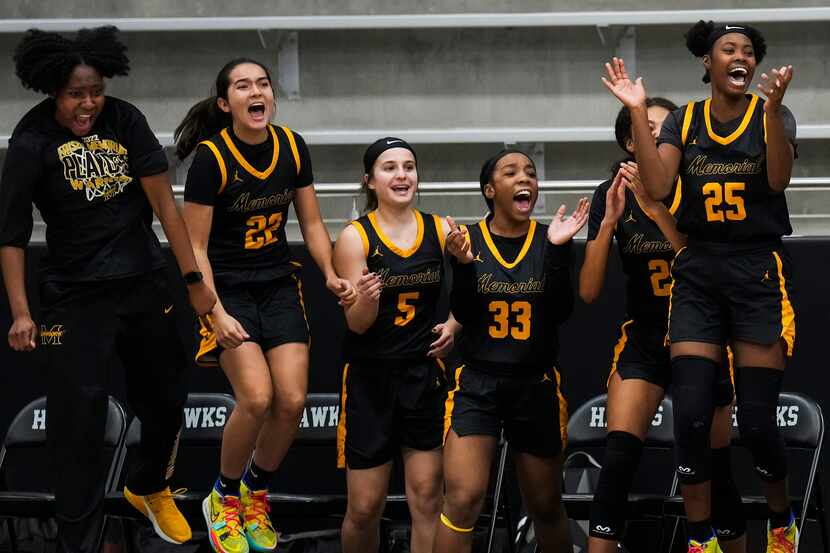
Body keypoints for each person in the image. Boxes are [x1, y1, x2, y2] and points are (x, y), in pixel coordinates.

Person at [0, 26, 216, 552]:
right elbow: (10, 234)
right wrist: (21, 313)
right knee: (79, 424)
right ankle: (79, 541)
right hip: (73, 298)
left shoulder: (125, 119)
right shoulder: (30, 141)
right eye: (77, 93)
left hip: (143, 283)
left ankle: (148, 485)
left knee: (167, 397)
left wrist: (194, 281)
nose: (89, 103)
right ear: (53, 90)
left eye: (95, 90)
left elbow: (166, 206)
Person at [602, 19, 798, 553]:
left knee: (756, 423)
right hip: (699, 272)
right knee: (689, 413)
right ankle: (699, 537)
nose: (742, 57)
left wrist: (776, 112)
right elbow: (661, 187)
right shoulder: (683, 122)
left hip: (754, 269)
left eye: (749, 51)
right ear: (707, 63)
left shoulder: (770, 115)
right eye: (728, 49)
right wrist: (639, 113)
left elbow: (778, 180)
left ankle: (782, 521)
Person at [176, 58, 354, 553]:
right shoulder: (213, 158)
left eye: (262, 83)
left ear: (271, 95)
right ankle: (223, 496)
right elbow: (193, 248)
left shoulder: (293, 146)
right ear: (224, 103)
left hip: (277, 285)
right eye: (242, 85)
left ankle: (254, 490)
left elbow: (313, 225)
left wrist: (331, 273)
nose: (256, 92)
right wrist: (215, 313)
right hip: (226, 291)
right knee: (256, 397)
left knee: (292, 400)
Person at [581, 100, 745, 553]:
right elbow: (590, 291)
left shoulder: (696, 185)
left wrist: (656, 209)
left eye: (665, 128)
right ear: (630, 141)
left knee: (715, 468)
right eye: (646, 127)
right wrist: (609, 221)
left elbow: (702, 269)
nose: (657, 135)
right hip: (647, 335)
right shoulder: (608, 193)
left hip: (703, 334)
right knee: (617, 462)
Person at [433, 149, 588, 553]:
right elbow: (464, 313)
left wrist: (557, 251)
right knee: (462, 500)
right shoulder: (467, 240)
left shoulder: (550, 238)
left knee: (546, 504)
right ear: (490, 190)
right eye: (511, 172)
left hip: (534, 384)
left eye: (531, 173)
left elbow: (561, 311)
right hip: (478, 383)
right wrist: (464, 266)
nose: (526, 179)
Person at [333, 138, 458, 553]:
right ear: (370, 181)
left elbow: (477, 291)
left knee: (426, 499)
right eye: (389, 168)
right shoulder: (355, 237)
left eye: (408, 166)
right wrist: (365, 300)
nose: (401, 175)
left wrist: (455, 325)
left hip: (422, 376)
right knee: (365, 507)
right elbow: (357, 323)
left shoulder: (441, 229)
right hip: (371, 378)